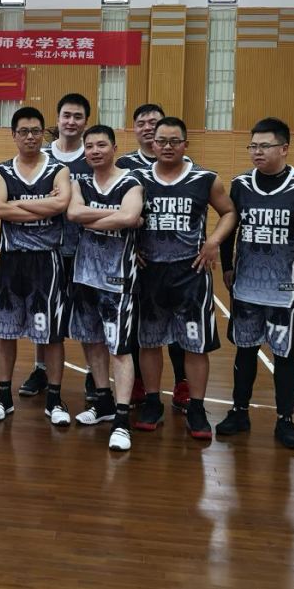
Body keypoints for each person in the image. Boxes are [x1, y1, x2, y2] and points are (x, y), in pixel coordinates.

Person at [215, 117, 294, 450]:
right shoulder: (240, 185)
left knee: (285, 355)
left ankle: (285, 420)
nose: (257, 152)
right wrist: (227, 266)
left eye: (264, 146)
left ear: (284, 148)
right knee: (245, 351)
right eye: (253, 146)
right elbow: (229, 226)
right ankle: (239, 412)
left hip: (287, 289)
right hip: (247, 286)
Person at [133, 117, 236, 440]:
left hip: (190, 272)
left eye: (174, 141)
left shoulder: (205, 179)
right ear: (152, 144)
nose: (167, 146)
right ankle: (153, 402)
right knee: (149, 342)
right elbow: (123, 215)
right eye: (161, 141)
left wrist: (213, 241)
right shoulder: (136, 179)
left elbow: (229, 212)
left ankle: (197, 407)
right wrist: (130, 246)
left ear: (185, 144)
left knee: (196, 345)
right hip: (149, 273)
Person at [0, 107, 72, 425]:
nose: (30, 137)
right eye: (23, 131)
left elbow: (61, 204)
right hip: (12, 258)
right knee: (6, 331)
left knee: (52, 334)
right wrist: (42, 205)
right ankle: (3, 396)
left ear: (42, 134)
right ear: (14, 135)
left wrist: (17, 203)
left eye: (36, 131)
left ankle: (55, 398)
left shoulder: (59, 169)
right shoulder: (1, 170)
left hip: (47, 259)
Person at [66, 125, 144, 451]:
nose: (95, 151)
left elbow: (130, 217)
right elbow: (73, 213)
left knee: (119, 348)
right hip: (85, 275)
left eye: (101, 145)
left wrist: (93, 218)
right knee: (92, 340)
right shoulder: (80, 183)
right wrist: (118, 214)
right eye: (89, 146)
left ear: (114, 147)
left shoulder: (131, 182)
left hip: (118, 279)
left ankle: (122, 420)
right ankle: (103, 402)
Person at [116, 102, 191, 413]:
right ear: (134, 129)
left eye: (154, 122)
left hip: (178, 263)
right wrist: (131, 248)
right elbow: (116, 209)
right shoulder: (124, 165)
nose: (148, 127)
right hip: (139, 260)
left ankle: (183, 382)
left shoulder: (185, 164)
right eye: (142, 123)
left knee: (177, 325)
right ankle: (137, 382)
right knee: (138, 324)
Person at [20, 93, 92, 400]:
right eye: (66, 115)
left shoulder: (93, 155)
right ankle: (40, 369)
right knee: (43, 309)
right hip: (44, 247)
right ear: (58, 118)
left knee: (88, 312)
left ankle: (93, 374)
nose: (71, 121)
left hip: (86, 249)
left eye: (78, 116)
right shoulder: (42, 155)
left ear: (86, 121)